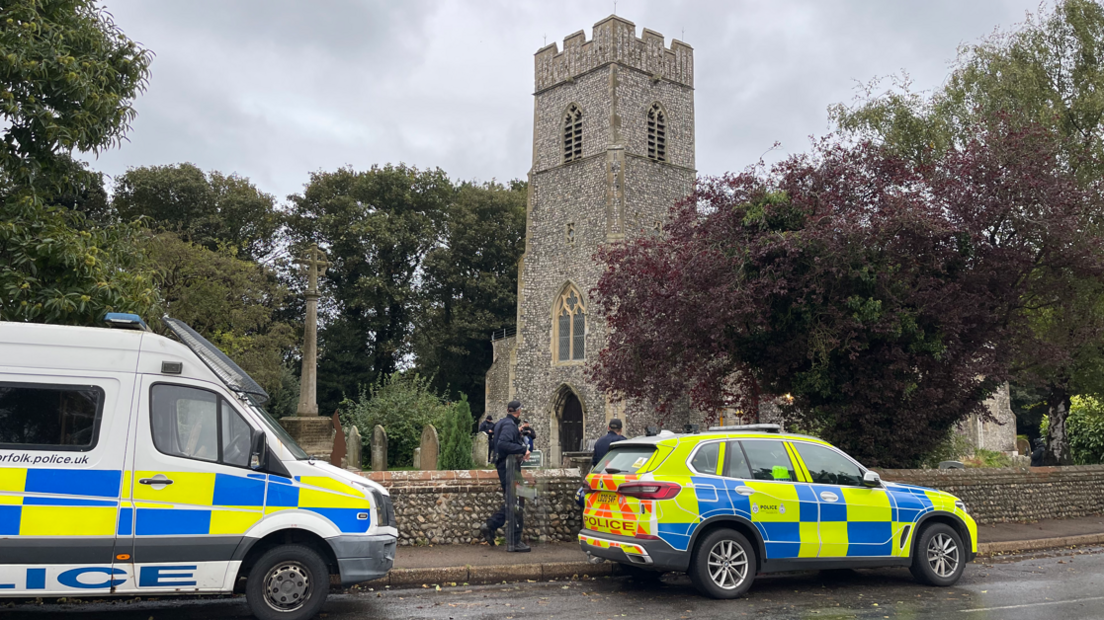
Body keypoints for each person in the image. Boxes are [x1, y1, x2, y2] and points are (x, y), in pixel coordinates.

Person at [480, 400, 531, 552]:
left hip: (505, 467)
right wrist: (523, 450)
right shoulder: (509, 425)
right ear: (519, 411)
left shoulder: (502, 423)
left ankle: (490, 525)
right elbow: (503, 444)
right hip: (509, 468)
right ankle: (514, 541)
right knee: (517, 501)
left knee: (513, 500)